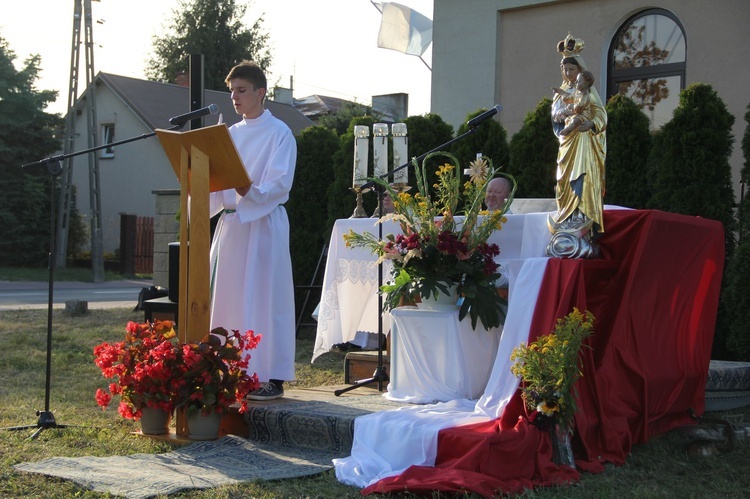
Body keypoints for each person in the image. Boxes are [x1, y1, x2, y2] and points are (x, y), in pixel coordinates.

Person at [209, 60, 297, 400]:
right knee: (230, 296)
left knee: (264, 296)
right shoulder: (229, 135)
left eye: (242, 91)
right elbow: (216, 183)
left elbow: (279, 183)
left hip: (263, 223)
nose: (235, 98)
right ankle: (230, 369)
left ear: (261, 93)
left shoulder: (280, 134)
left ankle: (270, 375)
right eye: (232, 92)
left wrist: (250, 191)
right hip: (233, 225)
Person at [548, 33, 606, 258]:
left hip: (583, 140)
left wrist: (591, 123)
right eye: (564, 69)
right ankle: (565, 215)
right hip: (566, 142)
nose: (567, 73)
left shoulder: (588, 92)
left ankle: (581, 216)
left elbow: (600, 114)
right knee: (563, 178)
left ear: (580, 70)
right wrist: (559, 113)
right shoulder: (563, 93)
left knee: (580, 176)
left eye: (571, 69)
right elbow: (555, 114)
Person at [552, 69, 595, 136]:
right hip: (574, 117)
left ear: (587, 83)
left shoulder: (586, 96)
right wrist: (560, 92)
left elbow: (579, 107)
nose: (576, 83)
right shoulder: (577, 94)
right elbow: (568, 97)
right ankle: (568, 130)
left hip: (584, 116)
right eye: (565, 70)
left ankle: (568, 130)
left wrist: (572, 106)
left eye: (579, 81)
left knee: (575, 121)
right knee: (571, 120)